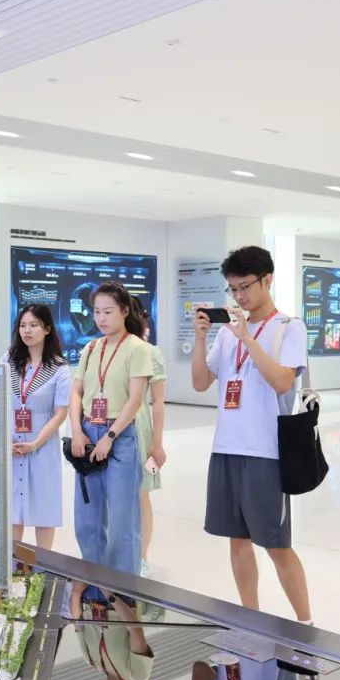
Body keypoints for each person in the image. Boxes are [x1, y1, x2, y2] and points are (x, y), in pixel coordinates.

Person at [190, 246, 313, 624]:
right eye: (233, 289)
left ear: (267, 279)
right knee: (237, 540)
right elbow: (200, 383)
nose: (239, 296)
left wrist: (247, 338)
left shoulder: (289, 327)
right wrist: (201, 338)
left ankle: (306, 623)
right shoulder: (227, 333)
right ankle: (250, 618)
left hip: (267, 451)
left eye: (245, 287)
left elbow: (282, 381)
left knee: (277, 544)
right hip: (226, 447)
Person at [69, 281, 153, 575]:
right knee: (87, 518)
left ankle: (123, 589)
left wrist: (110, 437)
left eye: (108, 311)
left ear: (125, 311)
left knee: (122, 521)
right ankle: (95, 585)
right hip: (87, 433)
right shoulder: (91, 348)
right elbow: (76, 392)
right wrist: (77, 431)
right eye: (96, 311)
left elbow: (136, 399)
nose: (101, 318)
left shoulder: (137, 348)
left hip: (120, 436)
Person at [4, 304, 70, 551]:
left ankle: (44, 564)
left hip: (42, 443)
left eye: (34, 325)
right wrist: (5, 439)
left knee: (44, 506)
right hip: (12, 443)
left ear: (47, 329)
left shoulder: (59, 368)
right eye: (23, 325)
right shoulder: (8, 361)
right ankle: (13, 563)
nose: (27, 331)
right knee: (13, 508)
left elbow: (60, 413)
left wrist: (35, 444)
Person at [67, 580, 154, 680]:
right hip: (120, 594)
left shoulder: (91, 661)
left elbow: (78, 622)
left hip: (87, 593)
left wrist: (76, 592)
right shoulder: (137, 677)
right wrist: (110, 595)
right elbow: (135, 630)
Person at [131, 296, 167, 578]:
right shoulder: (101, 348)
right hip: (107, 430)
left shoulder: (150, 352)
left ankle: (141, 556)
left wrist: (157, 442)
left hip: (139, 430)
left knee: (141, 495)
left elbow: (158, 402)